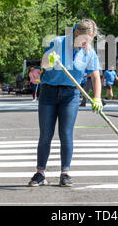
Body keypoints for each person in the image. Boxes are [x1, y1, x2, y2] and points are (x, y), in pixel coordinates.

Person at [28, 19, 102, 188]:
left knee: (66, 134)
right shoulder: (58, 42)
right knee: (46, 134)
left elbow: (95, 76)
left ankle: (65, 173)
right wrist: (50, 60)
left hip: (70, 95)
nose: (87, 43)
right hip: (48, 92)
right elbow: (43, 64)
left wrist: (97, 98)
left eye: (90, 40)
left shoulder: (89, 52)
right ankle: (40, 174)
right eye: (85, 39)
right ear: (76, 33)